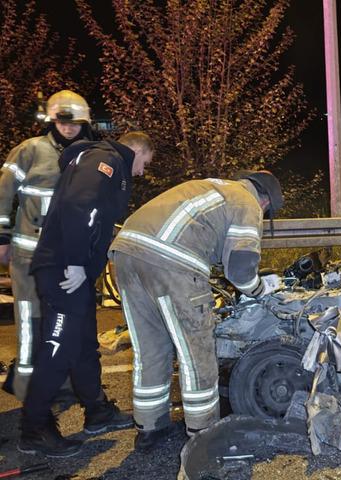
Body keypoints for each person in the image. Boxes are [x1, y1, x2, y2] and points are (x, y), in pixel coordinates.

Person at [108, 170, 284, 452]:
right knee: (197, 353)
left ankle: (150, 428)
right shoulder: (247, 203)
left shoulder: (213, 188)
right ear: (266, 201)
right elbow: (240, 268)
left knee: (150, 349)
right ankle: (205, 435)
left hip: (126, 254)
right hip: (170, 263)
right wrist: (261, 290)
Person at [19, 131, 154, 458]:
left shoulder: (95, 159)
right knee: (58, 348)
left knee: (82, 345)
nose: (142, 172)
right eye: (145, 163)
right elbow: (80, 206)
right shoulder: (106, 160)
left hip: (70, 270)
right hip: (66, 269)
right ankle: (33, 429)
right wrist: (78, 262)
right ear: (136, 149)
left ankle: (97, 411)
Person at [0, 90, 95, 401]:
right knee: (30, 319)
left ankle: (59, 383)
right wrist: (2, 237)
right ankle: (26, 388)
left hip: (64, 257)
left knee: (60, 321)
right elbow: (3, 192)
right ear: (52, 121)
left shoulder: (85, 156)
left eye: (75, 124)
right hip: (28, 255)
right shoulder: (30, 151)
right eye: (63, 123)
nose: (68, 129)